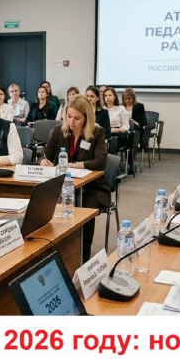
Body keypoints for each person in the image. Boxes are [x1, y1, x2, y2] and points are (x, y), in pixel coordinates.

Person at [40, 96, 109, 261]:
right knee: (44, 206)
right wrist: (43, 161)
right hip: (61, 185)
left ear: (86, 118)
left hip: (92, 188)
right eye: (69, 116)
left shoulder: (97, 132)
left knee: (83, 211)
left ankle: (83, 257)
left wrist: (74, 165)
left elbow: (101, 162)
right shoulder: (59, 131)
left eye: (77, 118)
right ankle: (56, 254)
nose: (71, 122)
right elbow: (44, 155)